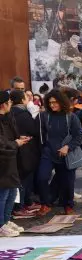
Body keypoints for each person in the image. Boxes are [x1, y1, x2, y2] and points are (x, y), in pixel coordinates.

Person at [36, 90, 82, 216]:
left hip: (66, 154)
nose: (52, 105)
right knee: (41, 178)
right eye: (50, 102)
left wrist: (68, 147)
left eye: (55, 102)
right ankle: (45, 204)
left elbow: (79, 136)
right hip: (48, 153)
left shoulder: (71, 116)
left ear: (61, 102)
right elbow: (40, 135)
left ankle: (68, 205)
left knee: (67, 182)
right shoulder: (44, 116)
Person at [9, 90, 42, 219]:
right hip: (26, 151)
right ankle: (20, 207)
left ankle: (23, 204)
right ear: (22, 100)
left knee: (20, 180)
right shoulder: (24, 114)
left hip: (15, 150)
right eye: (26, 97)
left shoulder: (10, 113)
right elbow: (34, 130)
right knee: (24, 180)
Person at [0, 91, 29, 236]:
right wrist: (15, 143)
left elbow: (10, 136)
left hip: (10, 160)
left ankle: (5, 220)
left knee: (12, 192)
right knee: (3, 194)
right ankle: (1, 225)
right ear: (4, 104)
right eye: (10, 102)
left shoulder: (7, 116)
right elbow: (2, 143)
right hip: (2, 162)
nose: (12, 104)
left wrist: (18, 139)